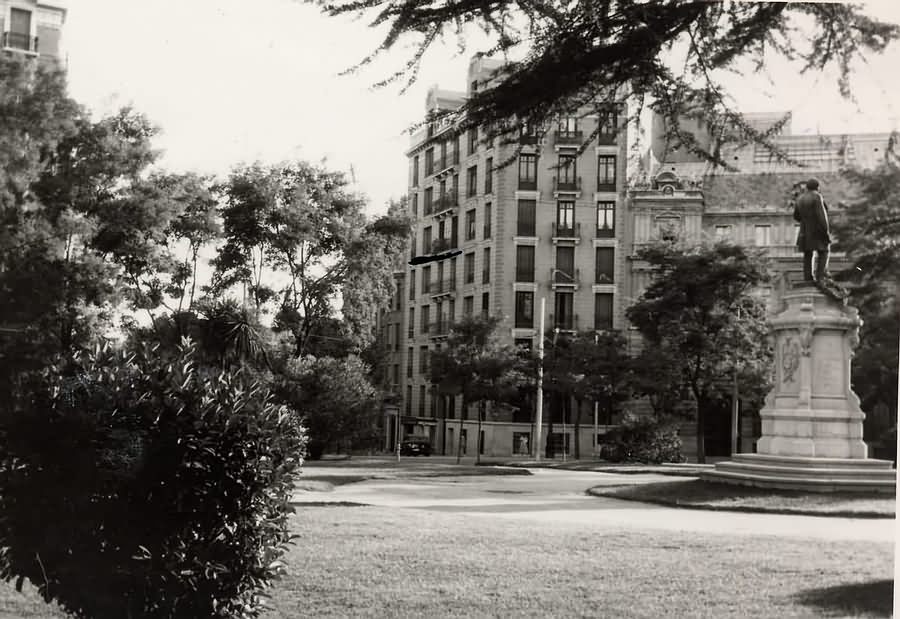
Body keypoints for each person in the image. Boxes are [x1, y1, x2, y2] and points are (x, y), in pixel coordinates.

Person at [793, 178, 830, 282]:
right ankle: (820, 277)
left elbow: (796, 216)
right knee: (824, 251)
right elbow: (822, 216)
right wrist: (826, 232)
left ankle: (808, 278)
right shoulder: (817, 196)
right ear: (817, 187)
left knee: (808, 254)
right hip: (817, 231)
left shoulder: (799, 199)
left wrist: (805, 220)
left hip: (804, 232)